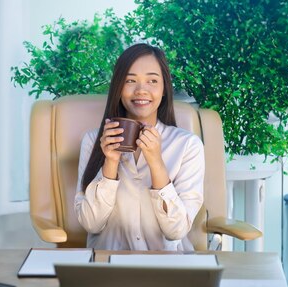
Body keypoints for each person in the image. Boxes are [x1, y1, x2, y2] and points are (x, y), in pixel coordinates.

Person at [74, 43, 205, 251]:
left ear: (164, 90)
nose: (141, 90)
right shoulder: (93, 141)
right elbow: (91, 223)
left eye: (152, 80)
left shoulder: (187, 145)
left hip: (165, 268)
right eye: (130, 80)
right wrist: (110, 163)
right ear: (118, 88)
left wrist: (156, 163)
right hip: (108, 267)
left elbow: (176, 230)